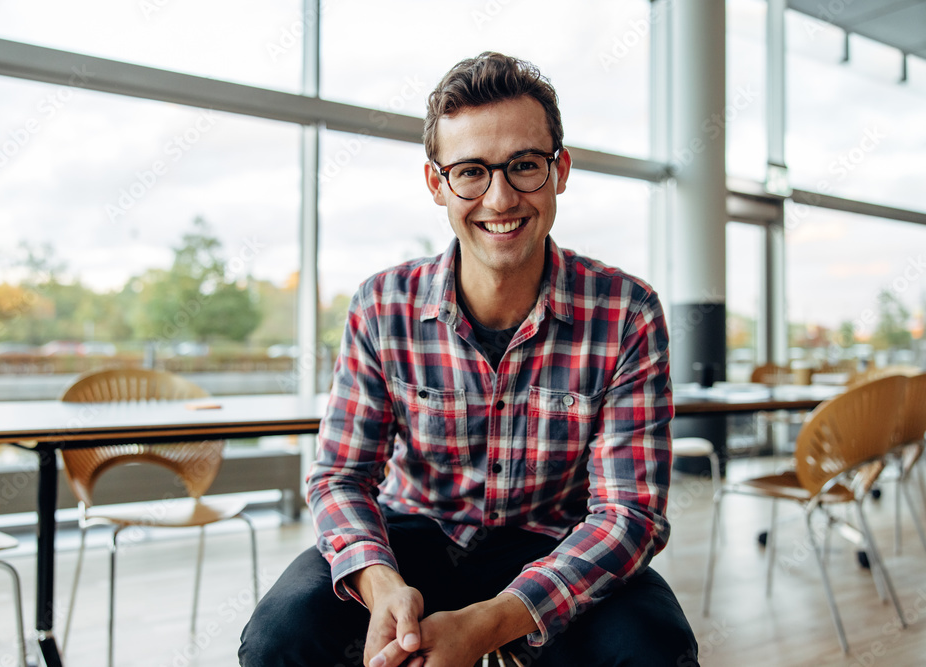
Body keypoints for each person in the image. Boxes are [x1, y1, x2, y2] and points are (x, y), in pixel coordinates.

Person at [240, 52, 698, 667]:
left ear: (559, 170)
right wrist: (380, 587)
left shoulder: (627, 311)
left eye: (524, 166)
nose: (500, 197)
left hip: (555, 541)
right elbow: (341, 476)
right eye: (472, 172)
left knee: (653, 651)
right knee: (279, 639)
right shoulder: (382, 305)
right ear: (438, 184)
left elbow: (629, 514)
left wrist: (490, 622)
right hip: (413, 537)